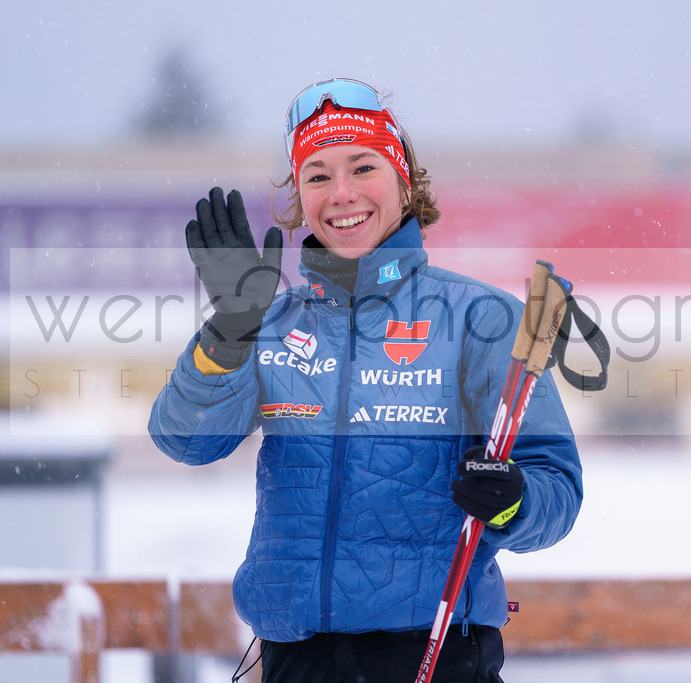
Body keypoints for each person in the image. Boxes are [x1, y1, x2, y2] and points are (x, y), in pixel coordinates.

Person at [148, 78, 583, 682]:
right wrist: (228, 332)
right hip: (295, 661)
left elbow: (556, 490)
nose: (342, 193)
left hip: (435, 654)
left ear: (404, 180)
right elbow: (186, 441)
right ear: (299, 197)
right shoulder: (271, 321)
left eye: (362, 167)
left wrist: (512, 502)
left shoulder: (479, 318)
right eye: (318, 175)